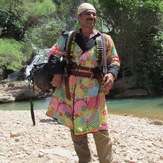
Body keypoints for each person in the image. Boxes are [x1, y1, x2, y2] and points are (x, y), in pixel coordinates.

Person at [46, 2, 120, 163]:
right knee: (76, 130)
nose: (91, 17)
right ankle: (84, 160)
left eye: (93, 14)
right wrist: (57, 73)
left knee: (100, 129)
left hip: (95, 90)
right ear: (79, 17)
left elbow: (114, 60)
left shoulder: (105, 39)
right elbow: (53, 54)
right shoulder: (69, 37)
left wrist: (112, 75)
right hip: (71, 89)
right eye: (87, 14)